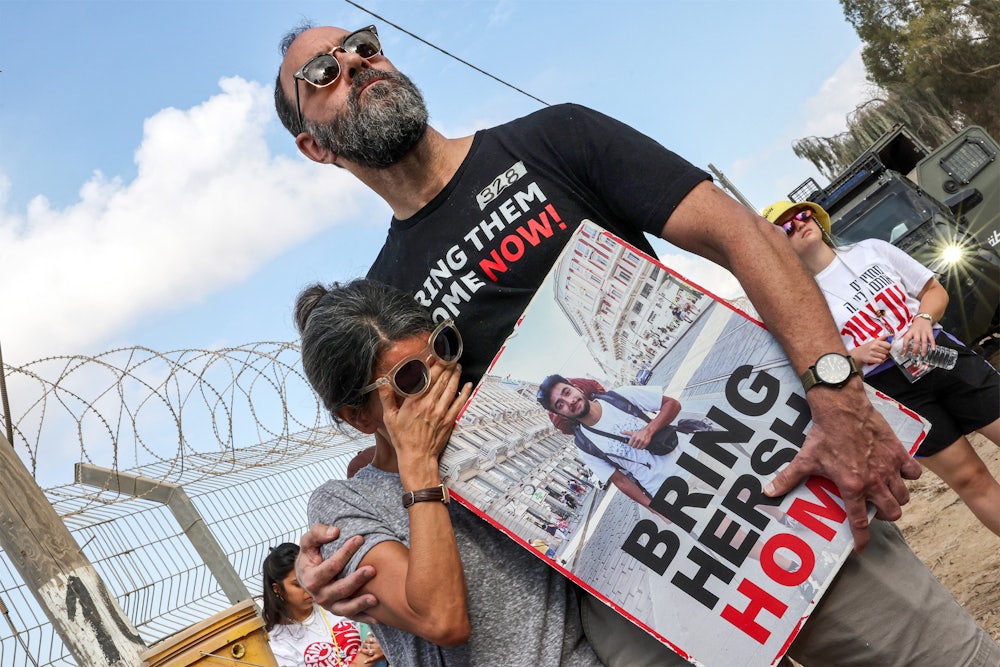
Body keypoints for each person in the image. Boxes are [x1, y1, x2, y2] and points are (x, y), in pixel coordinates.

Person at [274, 22, 1000, 666]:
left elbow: (741, 235)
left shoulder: (554, 139)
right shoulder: (388, 297)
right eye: (323, 72)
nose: (355, 63)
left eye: (363, 46)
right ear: (313, 145)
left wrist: (836, 392)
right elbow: (399, 445)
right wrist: (324, 559)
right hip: (640, 583)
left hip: (772, 487)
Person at [294, 279, 602, 666]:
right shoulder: (346, 501)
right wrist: (420, 467)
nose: (443, 381)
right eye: (411, 379)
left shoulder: (497, 429)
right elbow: (442, 619)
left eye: (442, 350)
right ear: (358, 416)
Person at [763, 200, 1000, 535]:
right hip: (893, 391)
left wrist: (922, 319)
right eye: (786, 227)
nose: (799, 224)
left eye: (803, 215)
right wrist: (855, 356)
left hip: (939, 354)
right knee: (970, 478)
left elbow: (934, 290)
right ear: (777, 248)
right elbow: (814, 370)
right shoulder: (798, 303)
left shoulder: (871, 250)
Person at [262, 542, 384, 667]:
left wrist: (380, 644)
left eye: (308, 578)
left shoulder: (335, 602)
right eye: (298, 584)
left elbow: (376, 631)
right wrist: (366, 657)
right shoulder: (277, 643)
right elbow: (369, 653)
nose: (307, 587)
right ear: (277, 589)